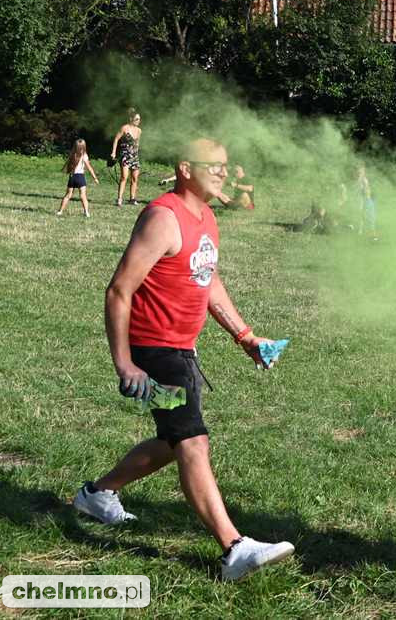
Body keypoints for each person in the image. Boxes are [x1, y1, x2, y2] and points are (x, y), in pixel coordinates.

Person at [73, 138, 295, 582]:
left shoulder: (206, 217)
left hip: (182, 349)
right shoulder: (163, 217)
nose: (224, 174)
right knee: (193, 441)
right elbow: (119, 289)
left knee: (173, 440)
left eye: (226, 167)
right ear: (185, 168)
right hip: (154, 350)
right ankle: (234, 548)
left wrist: (245, 336)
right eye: (215, 166)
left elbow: (208, 279)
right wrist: (125, 364)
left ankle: (97, 494)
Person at [56, 139, 99, 217]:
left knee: (68, 195)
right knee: (83, 196)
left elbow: (67, 164)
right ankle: (86, 212)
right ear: (84, 147)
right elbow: (89, 167)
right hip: (80, 177)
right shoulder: (84, 155)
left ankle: (60, 211)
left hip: (72, 177)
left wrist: (64, 170)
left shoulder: (72, 154)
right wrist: (95, 178)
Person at [111, 108, 143, 207]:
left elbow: (137, 143)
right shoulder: (124, 128)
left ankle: (132, 199)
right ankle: (119, 199)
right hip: (125, 154)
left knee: (135, 178)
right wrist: (113, 152)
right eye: (137, 119)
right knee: (124, 177)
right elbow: (116, 139)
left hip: (134, 156)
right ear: (131, 119)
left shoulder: (139, 130)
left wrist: (137, 152)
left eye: (139, 119)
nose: (138, 121)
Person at [356, 165, 377, 237]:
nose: (360, 172)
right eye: (359, 171)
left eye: (362, 171)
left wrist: (367, 197)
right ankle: (361, 229)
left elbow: (367, 190)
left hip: (367, 199)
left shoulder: (364, 180)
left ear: (364, 172)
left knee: (370, 215)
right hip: (362, 199)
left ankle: (372, 231)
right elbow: (358, 190)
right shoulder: (359, 179)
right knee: (361, 214)